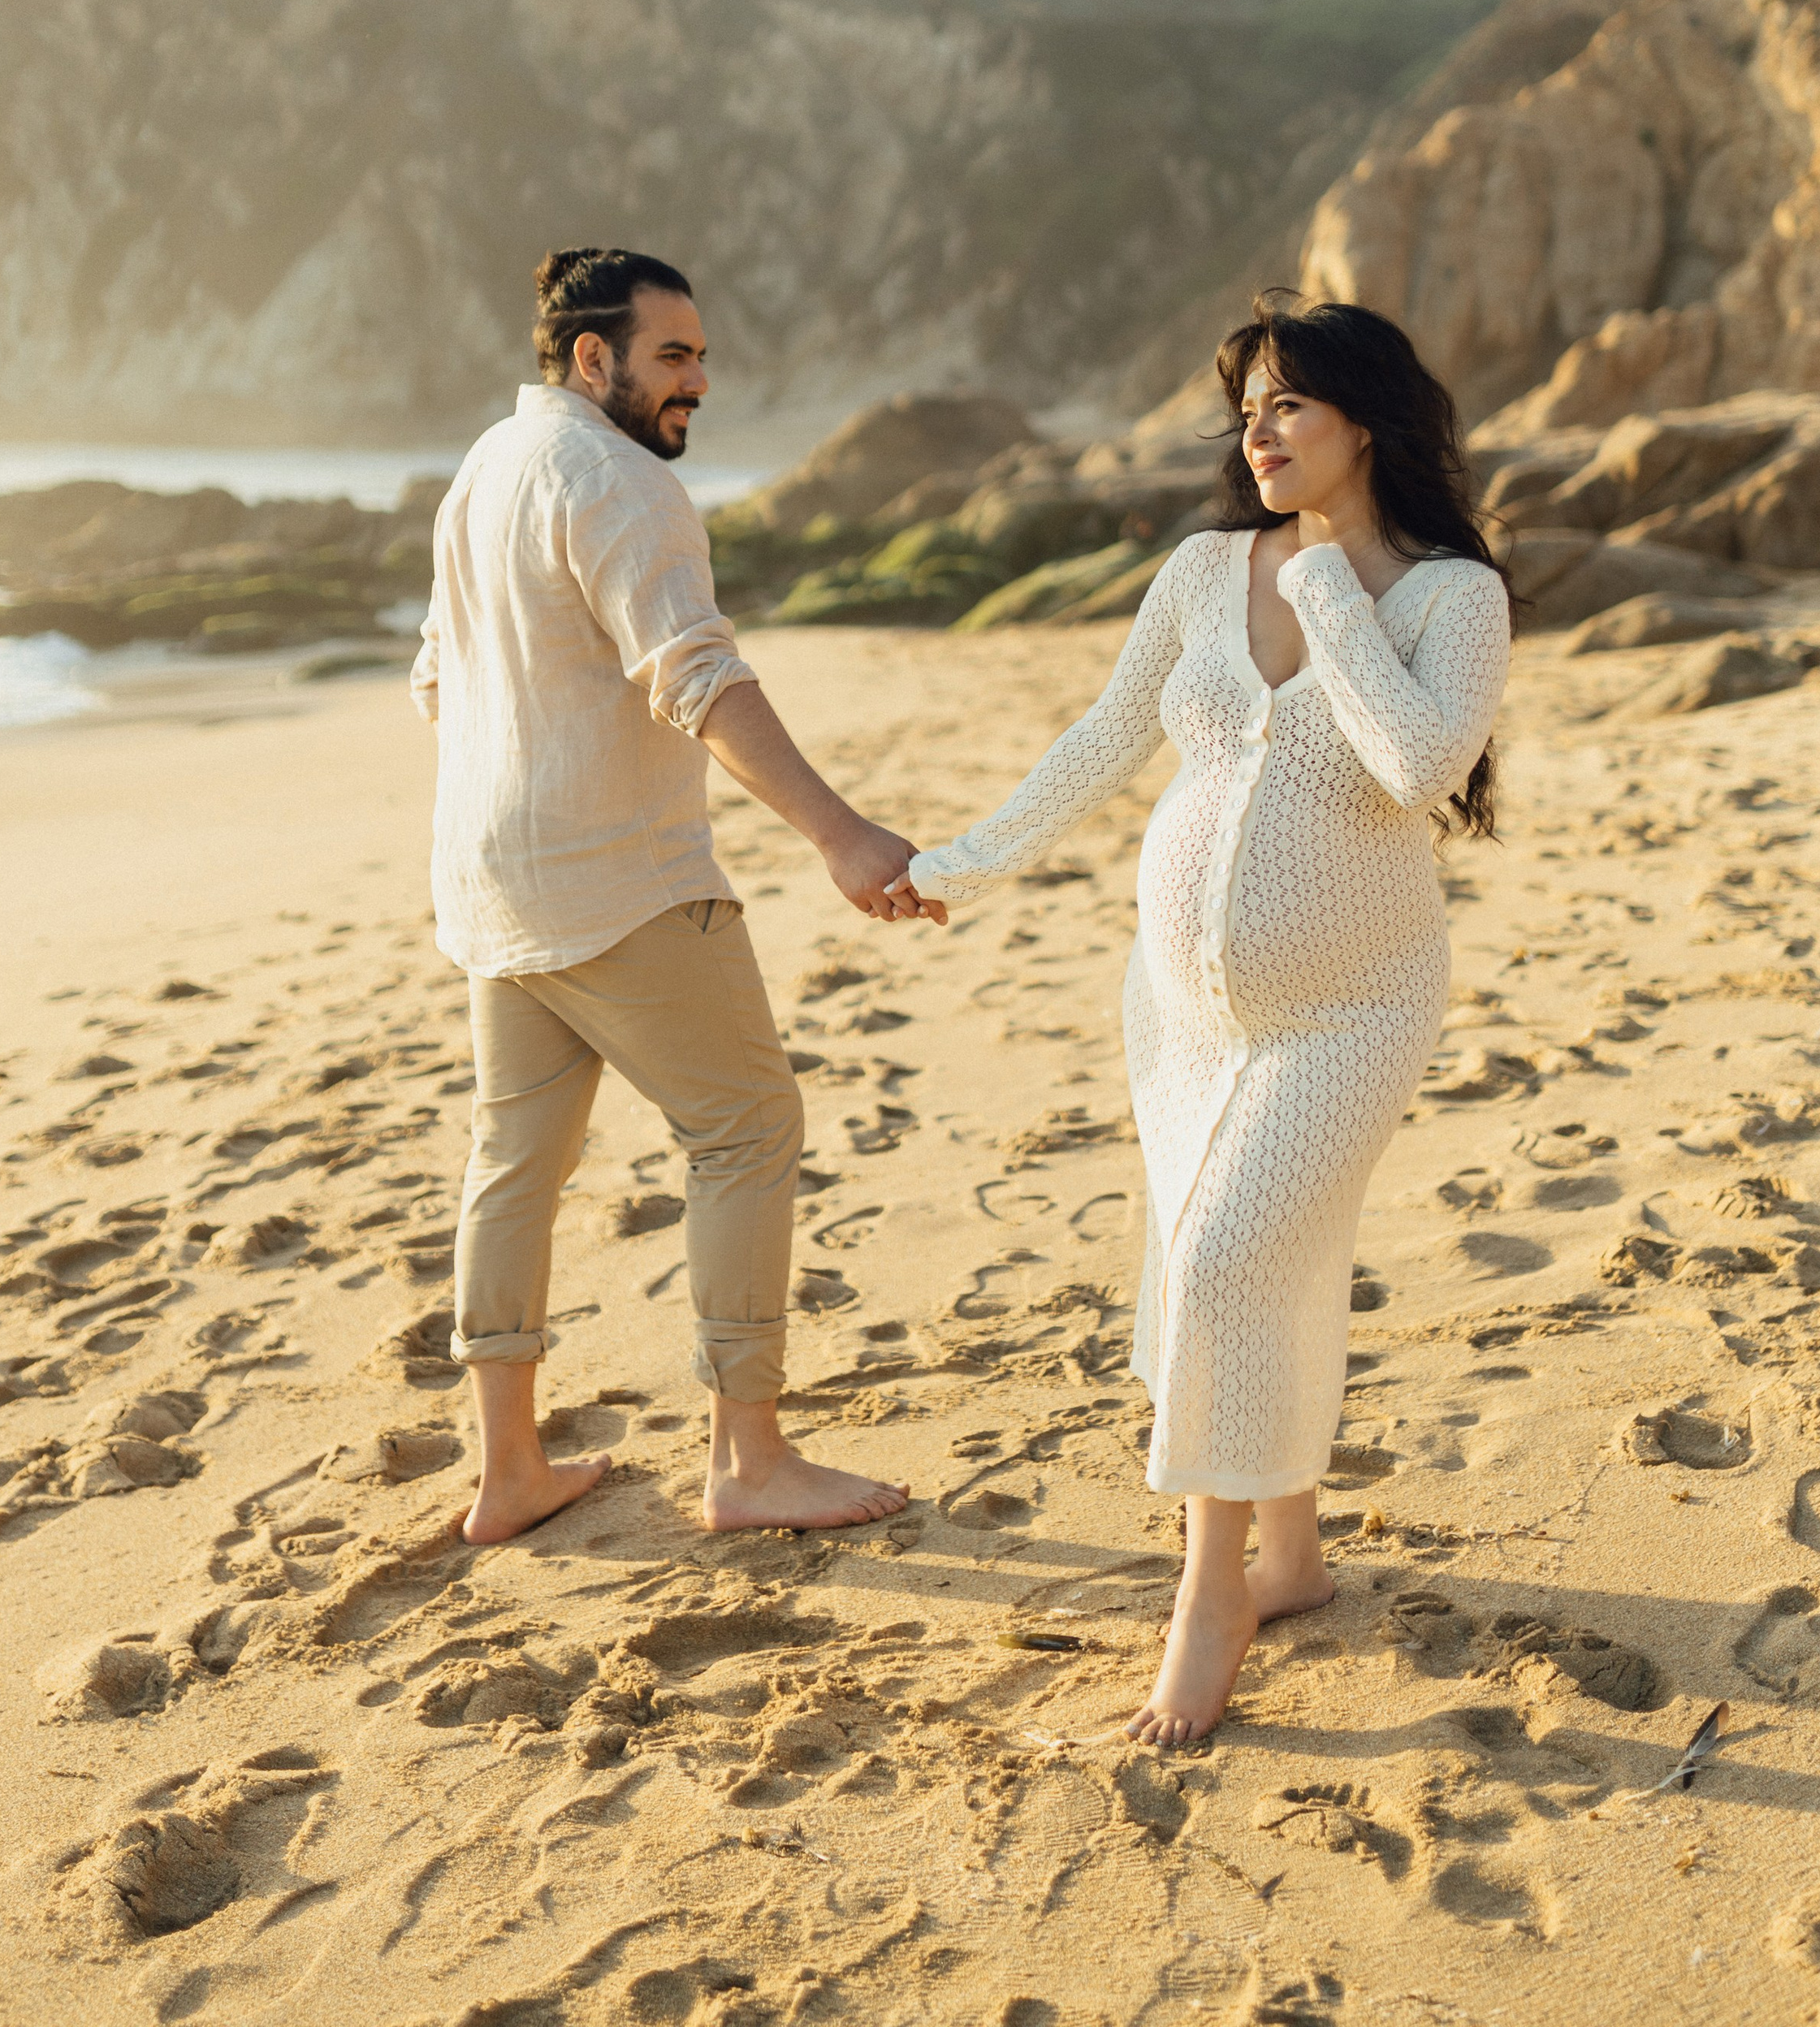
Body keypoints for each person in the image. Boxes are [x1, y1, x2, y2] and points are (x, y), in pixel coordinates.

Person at [895, 295, 1512, 1744]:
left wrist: (1324, 593)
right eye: (1247, 407)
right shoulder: (1195, 571)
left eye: (1288, 404)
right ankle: (1290, 1556)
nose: (1258, 430)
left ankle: (1212, 1592)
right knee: (1237, 1262)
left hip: (1354, 1007)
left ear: (1365, 420)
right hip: (1183, 1010)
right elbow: (1106, 739)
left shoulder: (1447, 595)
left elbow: (1421, 765)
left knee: (1230, 1255)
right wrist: (956, 861)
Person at [413, 245, 931, 1545]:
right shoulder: (615, 477)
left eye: (701, 354)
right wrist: (840, 829)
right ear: (595, 360)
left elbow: (437, 678)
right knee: (749, 1127)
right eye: (674, 355)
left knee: (512, 1161)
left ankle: (509, 1472)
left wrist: (526, 769)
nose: (701, 379)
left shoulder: (484, 467)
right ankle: (749, 1462)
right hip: (619, 880)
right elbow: (693, 674)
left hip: (492, 880)